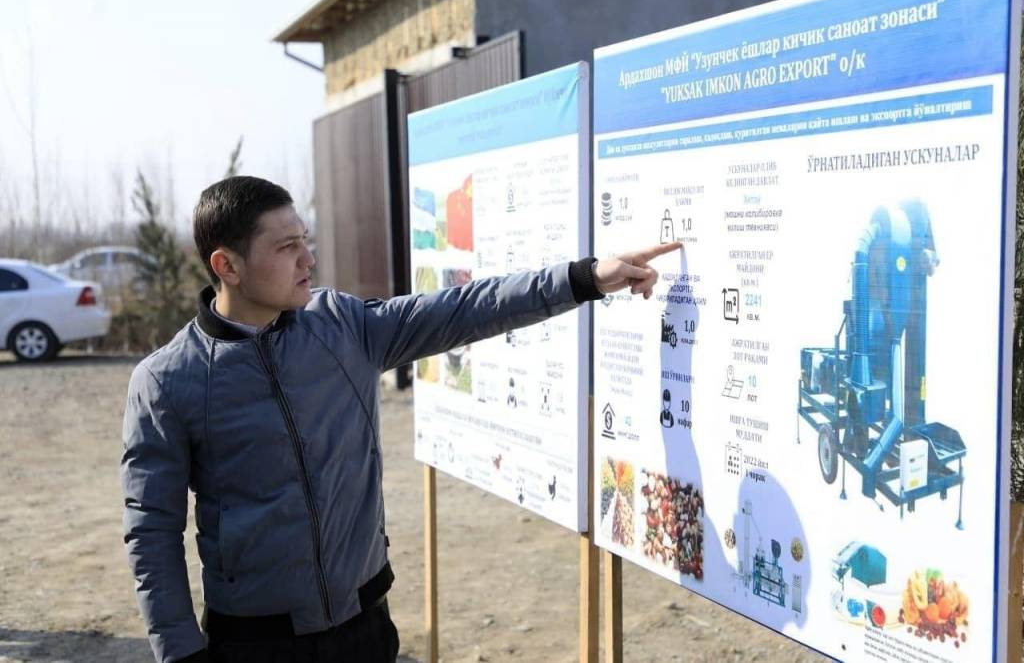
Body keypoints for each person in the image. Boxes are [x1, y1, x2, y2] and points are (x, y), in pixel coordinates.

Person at [120, 175, 681, 663]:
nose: (307, 259)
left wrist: (585, 279)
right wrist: (181, 652)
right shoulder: (167, 382)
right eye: (287, 247)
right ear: (227, 265)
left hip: (365, 630)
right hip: (252, 645)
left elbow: (465, 309)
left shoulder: (342, 327)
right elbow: (152, 530)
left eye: (305, 241)